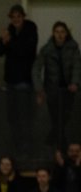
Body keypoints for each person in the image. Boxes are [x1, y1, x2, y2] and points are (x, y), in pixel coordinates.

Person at [0, 4, 38, 155]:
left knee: (24, 117)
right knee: (12, 118)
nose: (16, 19)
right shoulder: (10, 30)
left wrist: (9, 42)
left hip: (24, 81)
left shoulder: (30, 29)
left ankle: (26, 148)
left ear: (23, 16)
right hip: (10, 82)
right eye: (13, 17)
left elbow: (25, 51)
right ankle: (15, 146)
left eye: (18, 16)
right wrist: (3, 41)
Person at [32, 21, 81, 150]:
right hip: (52, 89)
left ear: (66, 33)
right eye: (57, 32)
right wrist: (39, 89)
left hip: (69, 90)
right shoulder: (46, 49)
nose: (59, 35)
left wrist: (75, 82)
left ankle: (52, 140)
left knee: (66, 116)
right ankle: (62, 146)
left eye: (62, 32)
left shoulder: (73, 47)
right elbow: (36, 68)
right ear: (53, 33)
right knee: (55, 116)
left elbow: (77, 66)